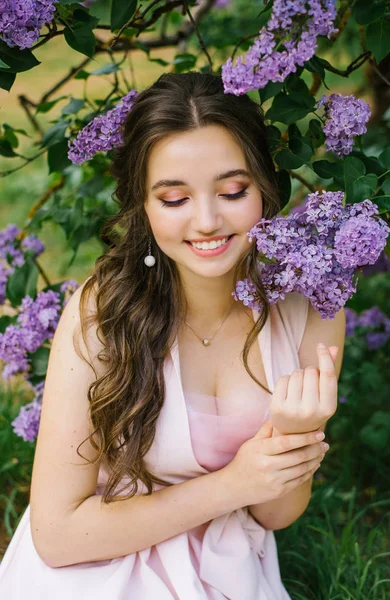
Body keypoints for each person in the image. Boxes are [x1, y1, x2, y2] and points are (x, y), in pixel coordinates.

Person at [0, 71, 345, 599]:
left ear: (265, 188)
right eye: (174, 199)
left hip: (226, 564)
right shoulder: (101, 313)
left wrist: (298, 433)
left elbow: (275, 513)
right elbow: (58, 536)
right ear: (143, 204)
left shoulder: (311, 304)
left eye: (232, 191)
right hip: (96, 562)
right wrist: (232, 485)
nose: (206, 220)